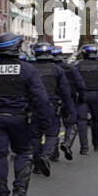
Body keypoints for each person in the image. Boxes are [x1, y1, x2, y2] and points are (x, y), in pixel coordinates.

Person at [0, 33, 53, 196]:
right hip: (20, 118)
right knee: (24, 153)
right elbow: (41, 99)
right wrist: (46, 123)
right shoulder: (27, 69)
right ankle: (20, 190)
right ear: (17, 48)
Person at [28, 42, 75, 173]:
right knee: (52, 134)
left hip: (34, 107)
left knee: (35, 136)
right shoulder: (57, 69)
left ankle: (37, 163)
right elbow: (65, 92)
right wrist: (70, 109)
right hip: (52, 106)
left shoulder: (29, 69)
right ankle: (45, 155)